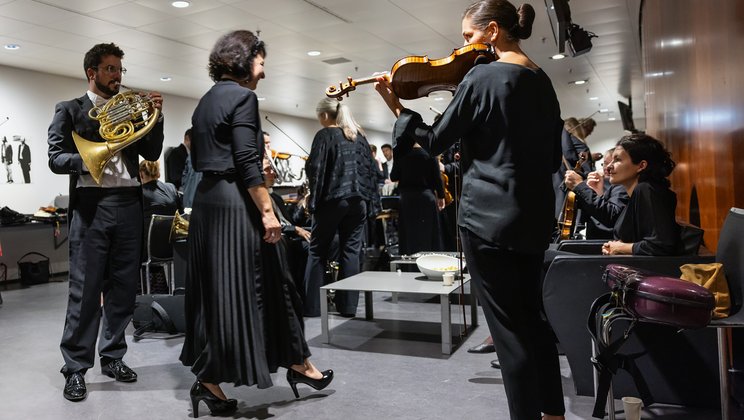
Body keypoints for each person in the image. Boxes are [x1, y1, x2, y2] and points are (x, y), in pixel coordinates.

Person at [375, 1, 565, 418]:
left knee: (508, 331)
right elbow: (553, 159)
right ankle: (554, 413)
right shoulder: (543, 80)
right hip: (533, 219)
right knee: (533, 321)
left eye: (468, 36)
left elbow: (437, 139)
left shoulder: (483, 76)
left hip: (487, 220)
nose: (462, 47)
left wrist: (397, 108)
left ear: (492, 30)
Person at [178, 30, 332, 418]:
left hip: (209, 205)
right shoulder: (244, 98)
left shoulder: (205, 102)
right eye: (260, 62)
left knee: (221, 295)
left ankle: (226, 379)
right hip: (236, 204)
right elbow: (248, 161)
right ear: (243, 60)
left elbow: (203, 159)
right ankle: (291, 363)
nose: (263, 71)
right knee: (269, 284)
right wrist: (268, 212)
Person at [47, 42, 165, 402]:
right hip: (91, 206)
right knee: (84, 290)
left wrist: (158, 117)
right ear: (92, 73)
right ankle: (76, 368)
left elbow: (152, 152)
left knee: (124, 288)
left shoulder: (131, 108)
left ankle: (113, 356)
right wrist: (89, 159)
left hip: (129, 202)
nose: (117, 76)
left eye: (119, 69)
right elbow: (55, 157)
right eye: (110, 69)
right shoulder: (70, 109)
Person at [303, 97, 375, 318]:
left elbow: (315, 169)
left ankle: (313, 307)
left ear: (324, 115)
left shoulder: (324, 135)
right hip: (359, 201)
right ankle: (348, 307)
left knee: (317, 251)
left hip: (333, 200)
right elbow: (370, 170)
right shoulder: (360, 138)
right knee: (351, 252)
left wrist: (310, 199)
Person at [600, 133, 682, 255]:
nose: (609, 167)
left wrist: (620, 248)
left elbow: (661, 245)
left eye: (617, 160)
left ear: (641, 165)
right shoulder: (639, 192)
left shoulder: (647, 190)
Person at [390, 143, 445, 255]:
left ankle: (409, 269)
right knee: (429, 235)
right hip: (426, 197)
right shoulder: (430, 153)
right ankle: (430, 266)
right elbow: (437, 179)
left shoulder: (401, 153)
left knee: (409, 237)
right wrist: (441, 196)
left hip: (407, 199)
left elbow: (393, 176)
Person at [564, 147, 628, 239]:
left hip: (606, 243)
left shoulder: (622, 184)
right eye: (605, 163)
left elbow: (611, 217)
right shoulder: (603, 183)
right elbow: (586, 218)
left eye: (614, 162)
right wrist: (595, 193)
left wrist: (580, 186)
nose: (608, 167)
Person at [139, 160, 182, 225]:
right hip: (173, 233)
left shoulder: (140, 193)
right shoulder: (171, 187)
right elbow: (180, 212)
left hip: (151, 234)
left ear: (141, 175)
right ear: (158, 173)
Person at [180, 128, 202, 208]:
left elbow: (184, 178)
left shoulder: (191, 156)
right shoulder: (193, 156)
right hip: (196, 202)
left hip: (188, 201)